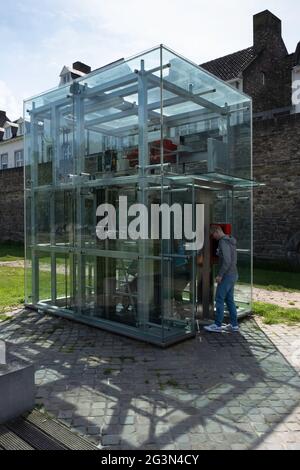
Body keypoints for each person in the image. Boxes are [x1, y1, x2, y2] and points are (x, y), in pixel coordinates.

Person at [204, 225, 239, 333]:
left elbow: (227, 261)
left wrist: (220, 275)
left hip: (227, 275)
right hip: (233, 274)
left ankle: (217, 325)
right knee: (229, 300)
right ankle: (234, 325)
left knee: (219, 299)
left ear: (217, 231)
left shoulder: (223, 242)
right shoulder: (230, 240)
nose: (213, 237)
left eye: (213, 234)